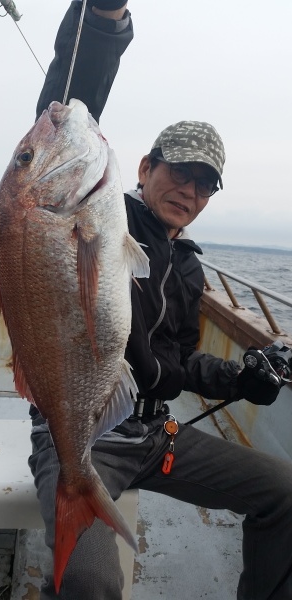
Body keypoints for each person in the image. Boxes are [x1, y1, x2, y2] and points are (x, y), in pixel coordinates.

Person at [28, 2, 292, 599]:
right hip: (78, 437)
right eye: (180, 172)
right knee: (91, 582)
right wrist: (104, 19)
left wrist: (242, 378)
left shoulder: (189, 266)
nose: (190, 191)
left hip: (154, 434)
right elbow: (71, 107)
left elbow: (172, 365)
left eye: (205, 184)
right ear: (144, 167)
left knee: (283, 491)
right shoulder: (101, 216)